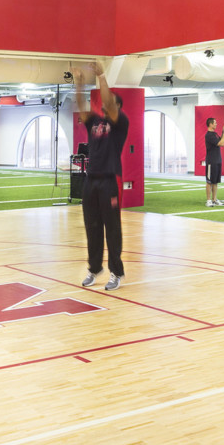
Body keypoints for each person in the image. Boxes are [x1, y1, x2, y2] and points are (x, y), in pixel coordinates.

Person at [75, 62, 130, 291]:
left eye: (110, 103)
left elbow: (107, 101)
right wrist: (78, 82)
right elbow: (80, 105)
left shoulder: (121, 123)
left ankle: (116, 272)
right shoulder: (95, 122)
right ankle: (94, 267)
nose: (106, 105)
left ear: (117, 107)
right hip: (91, 181)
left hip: (109, 181)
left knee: (112, 228)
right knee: (92, 226)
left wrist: (101, 76)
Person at [204, 117, 224, 207]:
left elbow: (222, 141)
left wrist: (223, 132)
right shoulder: (209, 135)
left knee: (215, 181)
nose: (216, 124)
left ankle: (214, 199)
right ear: (210, 124)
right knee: (209, 181)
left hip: (217, 160)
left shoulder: (215, 134)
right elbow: (221, 143)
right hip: (211, 161)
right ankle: (208, 200)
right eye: (215, 123)